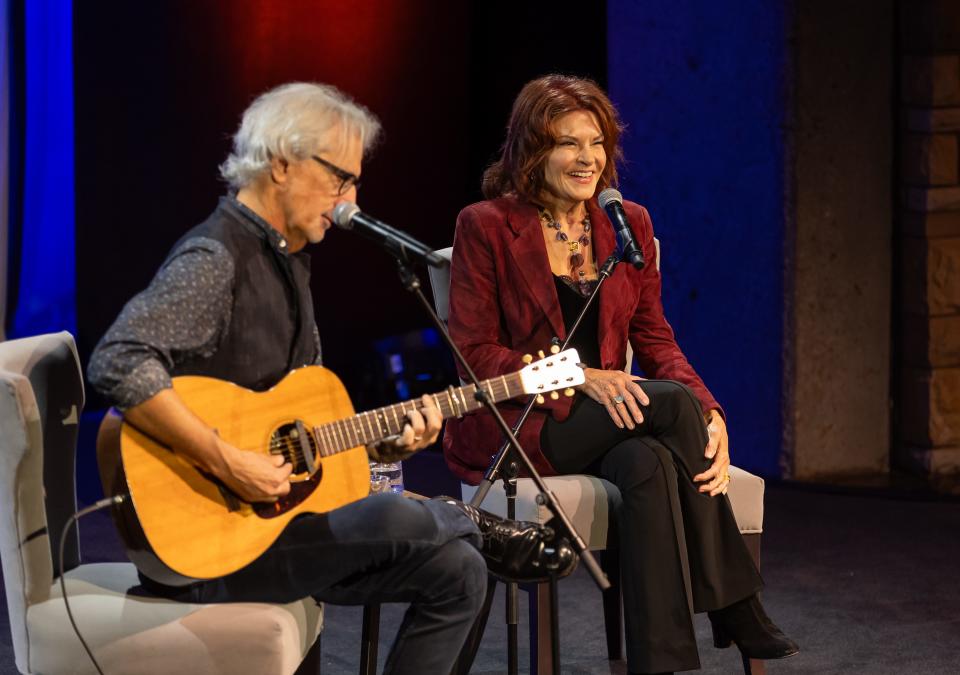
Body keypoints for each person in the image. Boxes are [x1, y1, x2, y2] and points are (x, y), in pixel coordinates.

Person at [88, 82, 566, 675]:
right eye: (341, 179)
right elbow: (117, 359)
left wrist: (386, 442)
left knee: (459, 573)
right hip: (214, 545)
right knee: (402, 516)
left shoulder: (286, 261)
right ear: (282, 164)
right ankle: (469, 520)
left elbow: (302, 431)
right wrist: (227, 460)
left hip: (277, 528)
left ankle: (463, 528)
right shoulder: (217, 257)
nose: (351, 201)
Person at [442, 74, 799, 674]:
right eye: (567, 143)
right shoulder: (486, 226)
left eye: (597, 143)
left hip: (610, 425)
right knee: (668, 408)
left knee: (649, 462)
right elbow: (474, 354)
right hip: (521, 426)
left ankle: (657, 663)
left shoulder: (625, 222)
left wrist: (712, 411)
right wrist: (578, 375)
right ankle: (737, 604)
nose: (587, 159)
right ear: (532, 150)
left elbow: (655, 338)